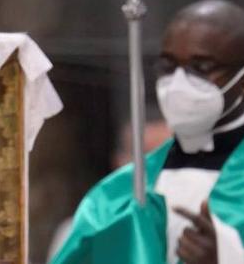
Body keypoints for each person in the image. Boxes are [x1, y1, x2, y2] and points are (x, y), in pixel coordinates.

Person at [52, 0, 244, 264]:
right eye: (169, 66)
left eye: (201, 67)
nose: (179, 83)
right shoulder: (119, 195)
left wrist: (229, 258)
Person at [46, 112, 173, 262]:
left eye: (165, 156)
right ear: (119, 162)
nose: (154, 167)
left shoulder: (194, 238)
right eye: (144, 154)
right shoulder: (80, 233)